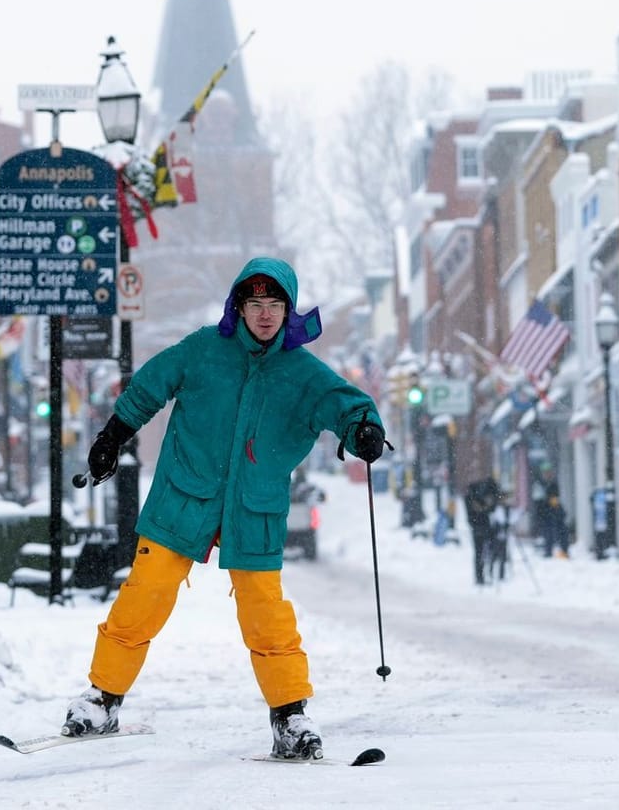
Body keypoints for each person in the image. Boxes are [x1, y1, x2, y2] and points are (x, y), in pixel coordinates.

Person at [59, 258, 388, 760]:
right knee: (143, 595)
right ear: (239, 306)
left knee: (266, 614)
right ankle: (102, 698)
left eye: (275, 305)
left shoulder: (302, 373)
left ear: (287, 311)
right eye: (254, 303)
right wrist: (112, 437)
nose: (264, 314)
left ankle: (290, 715)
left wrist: (363, 430)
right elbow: (149, 385)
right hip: (183, 497)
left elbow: (348, 405)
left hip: (253, 510)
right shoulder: (203, 350)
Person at [464, 474, 508, 584]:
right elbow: (481, 509)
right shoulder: (473, 496)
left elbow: (489, 508)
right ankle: (483, 576)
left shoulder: (475, 494)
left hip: (481, 525)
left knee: (480, 551)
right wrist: (488, 506)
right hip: (480, 525)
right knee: (482, 551)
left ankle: (483, 575)